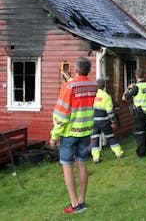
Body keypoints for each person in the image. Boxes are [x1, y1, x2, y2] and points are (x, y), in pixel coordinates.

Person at [49, 57, 97, 214]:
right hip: (86, 130)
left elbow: (61, 115)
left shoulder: (68, 86)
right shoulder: (93, 85)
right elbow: (81, 92)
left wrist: (54, 135)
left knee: (67, 164)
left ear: (75, 69)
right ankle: (82, 201)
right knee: (82, 163)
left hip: (70, 132)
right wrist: (69, 78)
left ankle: (74, 204)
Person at [122, 68, 146, 158]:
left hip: (140, 113)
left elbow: (124, 98)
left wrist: (128, 89)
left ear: (136, 76)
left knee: (139, 133)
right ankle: (143, 150)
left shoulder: (136, 87)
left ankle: (141, 153)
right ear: (144, 76)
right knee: (143, 132)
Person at [91, 79, 124, 163]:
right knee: (110, 136)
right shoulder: (106, 96)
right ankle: (119, 153)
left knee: (95, 139)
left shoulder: (92, 95)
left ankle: (95, 158)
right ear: (104, 86)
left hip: (93, 121)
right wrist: (113, 122)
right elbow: (110, 112)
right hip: (104, 121)